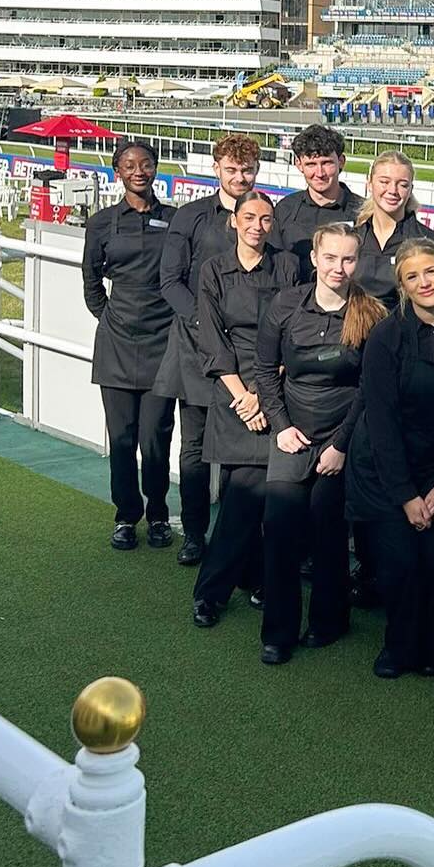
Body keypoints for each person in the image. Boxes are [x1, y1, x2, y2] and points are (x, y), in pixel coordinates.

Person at [345, 239, 434, 678]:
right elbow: (382, 420)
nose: (424, 282)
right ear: (402, 286)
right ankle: (399, 646)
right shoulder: (386, 335)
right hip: (386, 467)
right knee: (402, 564)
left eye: (431, 271)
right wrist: (407, 495)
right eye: (412, 276)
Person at [252, 223, 385, 663]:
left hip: (341, 439)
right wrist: (281, 427)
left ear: (357, 262)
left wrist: (341, 445)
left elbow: (370, 387)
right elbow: (265, 368)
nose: (338, 268)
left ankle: (330, 620)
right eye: (330, 258)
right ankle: (278, 632)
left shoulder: (371, 313)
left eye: (348, 259)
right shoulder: (285, 305)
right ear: (314, 257)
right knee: (280, 531)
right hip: (291, 436)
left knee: (329, 534)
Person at [189, 194, 298, 628]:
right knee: (242, 498)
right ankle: (213, 592)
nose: (257, 225)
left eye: (266, 219)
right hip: (233, 393)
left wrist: (262, 393)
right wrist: (244, 396)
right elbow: (212, 341)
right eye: (249, 217)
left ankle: (247, 580)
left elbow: (295, 332)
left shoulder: (288, 267)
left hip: (276, 389)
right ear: (234, 221)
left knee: (248, 497)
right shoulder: (213, 271)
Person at [153, 133, 262, 565]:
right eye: (232, 170)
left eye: (247, 170)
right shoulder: (192, 216)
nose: (240, 177)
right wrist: (207, 327)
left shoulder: (263, 216)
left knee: (247, 448)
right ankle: (195, 533)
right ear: (216, 168)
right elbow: (170, 282)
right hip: (198, 350)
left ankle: (241, 539)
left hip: (252, 356)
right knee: (195, 449)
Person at [81, 140, 177, 551]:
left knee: (155, 437)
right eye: (130, 165)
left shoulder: (175, 220)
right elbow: (90, 280)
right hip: (117, 343)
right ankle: (125, 516)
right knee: (121, 439)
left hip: (164, 342)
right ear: (117, 172)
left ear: (156, 169)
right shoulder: (101, 222)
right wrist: (110, 317)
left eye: (147, 164)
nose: (140, 171)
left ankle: (158, 514)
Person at [350, 151, 434, 306]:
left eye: (402, 185)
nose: (393, 191)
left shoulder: (431, 243)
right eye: (384, 182)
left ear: (410, 189)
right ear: (369, 184)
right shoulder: (352, 239)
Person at [271, 124, 363, 281]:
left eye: (326, 163)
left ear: (341, 161)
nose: (319, 173)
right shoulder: (284, 209)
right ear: (299, 164)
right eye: (311, 164)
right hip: (295, 303)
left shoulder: (363, 212)